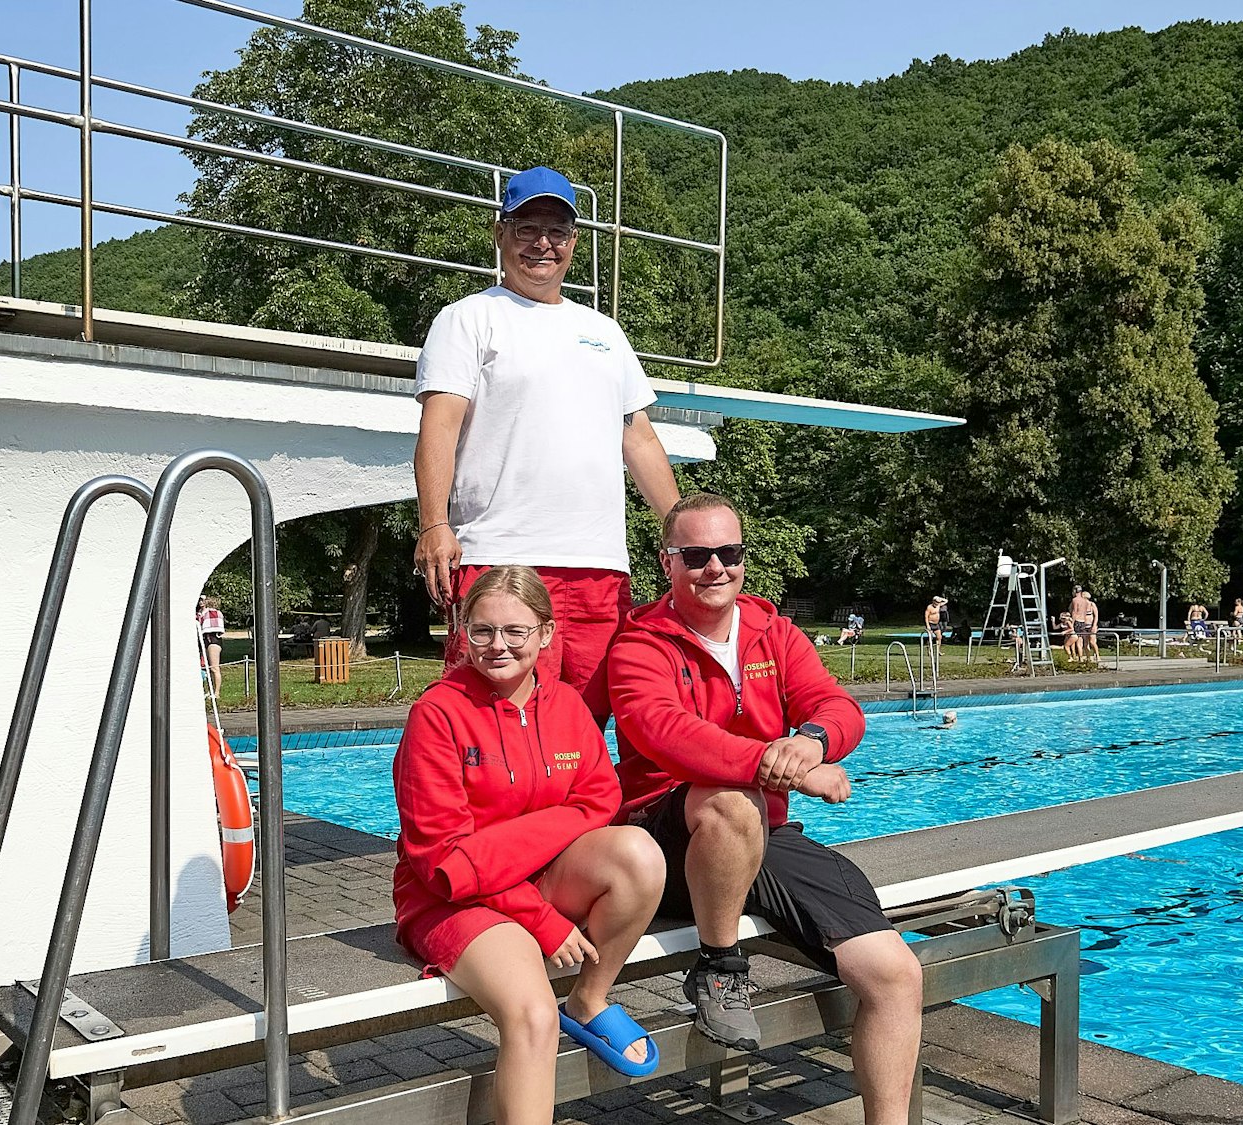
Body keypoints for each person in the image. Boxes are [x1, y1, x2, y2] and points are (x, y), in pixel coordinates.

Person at [608, 494, 923, 1125]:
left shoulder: (773, 633)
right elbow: (664, 732)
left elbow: (837, 707)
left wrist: (810, 743)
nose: (715, 568)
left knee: (895, 974)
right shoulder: (639, 645)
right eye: (696, 555)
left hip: (759, 832)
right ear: (666, 561)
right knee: (730, 800)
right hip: (662, 841)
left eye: (729, 553)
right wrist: (779, 769)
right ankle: (720, 967)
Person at [394, 566, 667, 1119]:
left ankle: (589, 998)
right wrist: (539, 916)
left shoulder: (566, 706)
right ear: (462, 632)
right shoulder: (437, 715)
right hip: (453, 899)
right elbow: (442, 859)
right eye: (483, 631)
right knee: (534, 1015)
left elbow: (601, 801)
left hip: (529, 875)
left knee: (638, 853)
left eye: (516, 631)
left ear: (546, 634)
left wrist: (503, 848)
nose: (499, 646)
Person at [411, 166, 681, 719]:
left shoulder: (605, 333)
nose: (542, 243)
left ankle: (578, 811)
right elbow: (439, 426)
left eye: (556, 231)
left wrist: (682, 533)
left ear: (574, 242)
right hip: (500, 558)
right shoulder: (468, 319)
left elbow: (640, 438)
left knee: (582, 725)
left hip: (600, 566)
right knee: (486, 721)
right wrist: (435, 524)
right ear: (500, 232)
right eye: (527, 226)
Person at [196, 595, 225, 699]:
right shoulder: (200, 614)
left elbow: (214, 626)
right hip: (205, 640)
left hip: (213, 640)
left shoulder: (212, 612)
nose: (200, 602)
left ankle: (216, 693)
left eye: (202, 600)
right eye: (199, 600)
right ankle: (210, 690)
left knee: (214, 668)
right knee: (208, 668)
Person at [1069, 587, 1098, 662]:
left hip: (1083, 623)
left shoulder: (1077, 600)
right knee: (1084, 643)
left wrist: (1072, 623)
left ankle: (1091, 656)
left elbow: (1075, 612)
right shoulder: (1083, 602)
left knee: (1086, 642)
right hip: (1084, 623)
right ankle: (1086, 657)